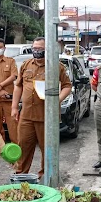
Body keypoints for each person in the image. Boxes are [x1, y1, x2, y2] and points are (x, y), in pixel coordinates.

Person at [11, 37, 72, 178]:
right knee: (23, 145)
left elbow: (67, 86)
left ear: (47, 50)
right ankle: (21, 174)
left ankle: (46, 176)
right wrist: (14, 107)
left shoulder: (56, 66)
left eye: (40, 49)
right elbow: (18, 86)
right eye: (34, 48)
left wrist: (57, 100)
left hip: (47, 116)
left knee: (47, 148)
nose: (36, 51)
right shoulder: (26, 65)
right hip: (26, 115)